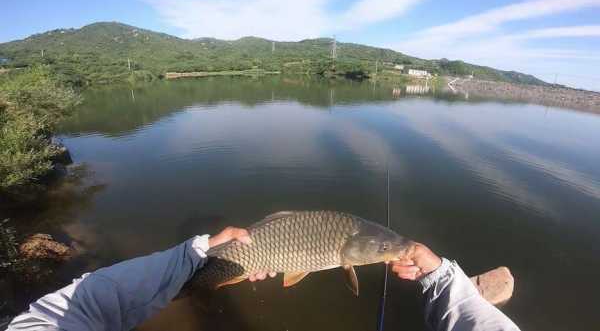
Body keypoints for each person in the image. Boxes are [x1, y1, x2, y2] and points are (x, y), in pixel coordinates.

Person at [7, 227, 520, 331]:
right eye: (383, 248)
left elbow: (84, 305)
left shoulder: (47, 322)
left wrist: (198, 252)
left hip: (252, 250)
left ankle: (198, 276)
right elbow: (90, 303)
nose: (394, 251)